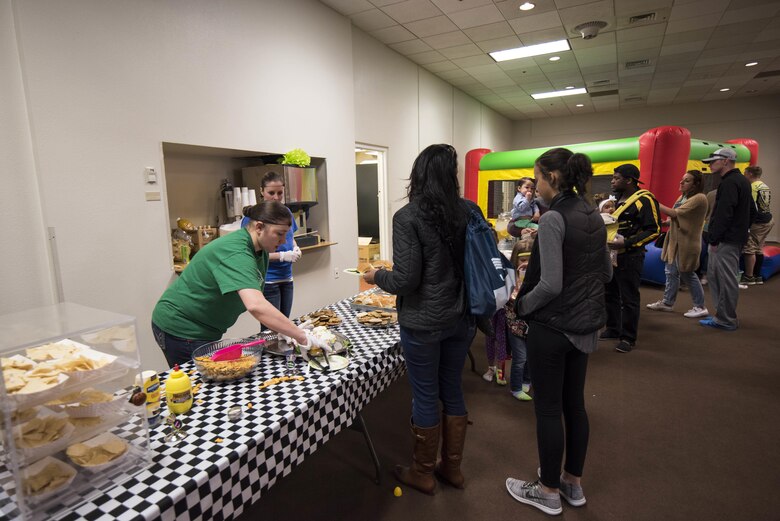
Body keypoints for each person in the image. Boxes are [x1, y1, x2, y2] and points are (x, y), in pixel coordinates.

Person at [363, 144, 477, 495]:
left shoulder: (408, 217)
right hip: (463, 316)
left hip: (424, 321)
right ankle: (452, 469)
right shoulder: (469, 211)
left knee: (426, 396)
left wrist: (374, 275)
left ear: (419, 174)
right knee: (452, 388)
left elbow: (406, 280)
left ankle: (423, 472)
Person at [505, 148, 612, 516]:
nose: (534, 185)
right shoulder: (594, 216)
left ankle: (548, 490)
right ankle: (571, 482)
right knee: (574, 406)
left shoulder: (553, 220)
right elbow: (606, 274)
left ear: (552, 178)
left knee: (548, 409)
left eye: (536, 178)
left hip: (552, 328)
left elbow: (549, 284)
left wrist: (522, 305)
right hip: (584, 327)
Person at [151, 201, 324, 367]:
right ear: (259, 227)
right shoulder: (236, 251)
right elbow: (256, 305)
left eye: (286, 234)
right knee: (201, 390)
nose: (283, 240)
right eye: (279, 233)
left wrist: (282, 328)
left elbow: (257, 296)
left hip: (204, 328)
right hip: (181, 327)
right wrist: (301, 336)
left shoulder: (260, 250)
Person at [602, 164, 661, 353]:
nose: (612, 181)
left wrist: (626, 243)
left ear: (629, 180)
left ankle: (628, 337)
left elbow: (654, 230)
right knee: (610, 293)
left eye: (616, 178)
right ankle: (613, 327)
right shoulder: (618, 200)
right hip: (611, 255)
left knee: (629, 297)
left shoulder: (644, 200)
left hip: (630, 256)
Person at [700, 148, 755, 331]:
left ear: (725, 161)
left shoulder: (730, 182)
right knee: (718, 278)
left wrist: (714, 238)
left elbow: (724, 213)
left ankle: (726, 319)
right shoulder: (742, 181)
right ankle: (722, 316)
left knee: (726, 280)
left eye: (713, 161)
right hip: (732, 237)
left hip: (726, 240)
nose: (710, 165)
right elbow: (752, 212)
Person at [646, 170, 709, 318]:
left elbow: (674, 213)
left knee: (687, 274)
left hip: (687, 242)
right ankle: (667, 303)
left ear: (696, 184)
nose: (681, 182)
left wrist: (652, 201)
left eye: (686, 181)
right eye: (682, 179)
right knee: (671, 272)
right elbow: (678, 216)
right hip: (675, 241)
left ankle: (700, 306)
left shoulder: (700, 198)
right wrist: (666, 222)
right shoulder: (683, 197)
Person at [243, 171, 302, 318]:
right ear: (262, 191)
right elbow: (252, 254)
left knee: (284, 322)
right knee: (271, 329)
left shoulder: (285, 212)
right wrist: (282, 256)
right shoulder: (254, 217)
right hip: (269, 279)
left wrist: (295, 247)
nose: (276, 197)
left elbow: (290, 236)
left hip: (286, 277)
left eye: (280, 193)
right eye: (271, 193)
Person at [505, 241, 532, 402]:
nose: (526, 263)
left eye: (530, 259)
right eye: (523, 259)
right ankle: (515, 387)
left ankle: (527, 380)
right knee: (520, 357)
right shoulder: (509, 276)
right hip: (515, 324)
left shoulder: (537, 274)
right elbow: (508, 299)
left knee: (531, 356)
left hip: (532, 323)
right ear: (516, 259)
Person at [742, 166, 773, 285]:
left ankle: (749, 276)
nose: (744, 175)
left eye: (745, 173)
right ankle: (757, 276)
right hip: (767, 219)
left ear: (750, 174)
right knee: (759, 248)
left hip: (757, 222)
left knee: (749, 249)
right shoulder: (764, 185)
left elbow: (751, 207)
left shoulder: (752, 187)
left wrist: (747, 225)